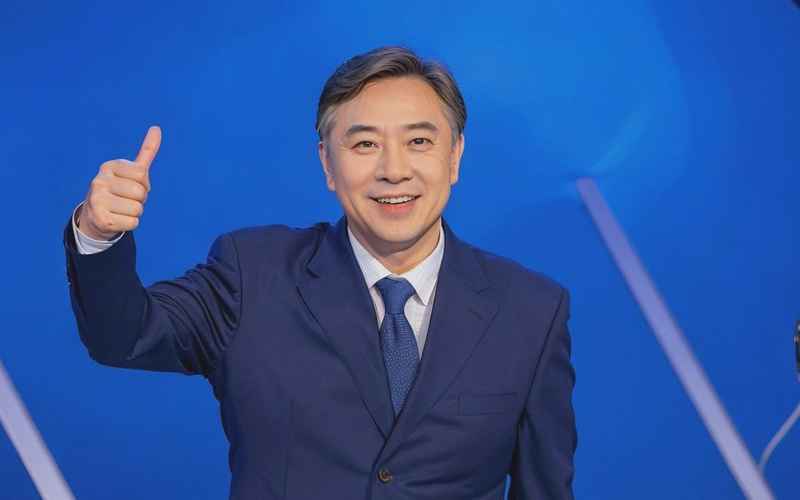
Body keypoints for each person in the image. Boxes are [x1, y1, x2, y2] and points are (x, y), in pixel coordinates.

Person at [63, 46, 576, 500]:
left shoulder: (531, 312)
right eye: (365, 144)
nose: (394, 170)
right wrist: (99, 235)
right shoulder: (252, 275)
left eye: (419, 141)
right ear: (327, 164)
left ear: (455, 155)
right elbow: (123, 338)